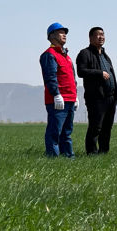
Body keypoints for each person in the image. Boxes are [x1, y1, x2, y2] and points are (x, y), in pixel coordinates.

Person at [76, 26, 117, 154]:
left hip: (110, 97)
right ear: (90, 38)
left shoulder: (105, 56)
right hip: (96, 98)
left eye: (102, 34)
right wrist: (99, 73)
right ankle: (92, 153)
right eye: (98, 35)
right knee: (95, 127)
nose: (101, 37)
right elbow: (81, 71)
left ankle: (104, 152)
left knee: (107, 127)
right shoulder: (85, 53)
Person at [40, 22, 77, 158]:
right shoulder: (49, 55)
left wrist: (75, 96)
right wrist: (56, 94)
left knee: (67, 132)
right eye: (61, 32)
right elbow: (50, 77)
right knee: (54, 131)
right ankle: (53, 159)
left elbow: (72, 78)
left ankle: (69, 157)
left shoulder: (67, 56)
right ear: (52, 36)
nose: (64, 35)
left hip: (70, 98)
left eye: (65, 32)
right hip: (58, 100)